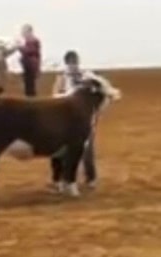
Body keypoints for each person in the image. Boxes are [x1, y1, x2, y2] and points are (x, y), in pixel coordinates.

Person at [51, 50, 98, 188]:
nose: (74, 66)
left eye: (75, 63)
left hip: (82, 118)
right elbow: (55, 95)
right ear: (67, 64)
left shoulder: (85, 77)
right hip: (66, 120)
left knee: (86, 150)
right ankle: (61, 178)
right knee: (63, 151)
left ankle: (90, 178)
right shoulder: (62, 78)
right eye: (71, 63)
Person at [18, 24, 41, 97]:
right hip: (28, 66)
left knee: (30, 86)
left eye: (24, 32)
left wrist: (20, 48)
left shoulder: (33, 41)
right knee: (28, 86)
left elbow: (30, 51)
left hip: (31, 66)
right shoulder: (30, 41)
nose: (23, 34)